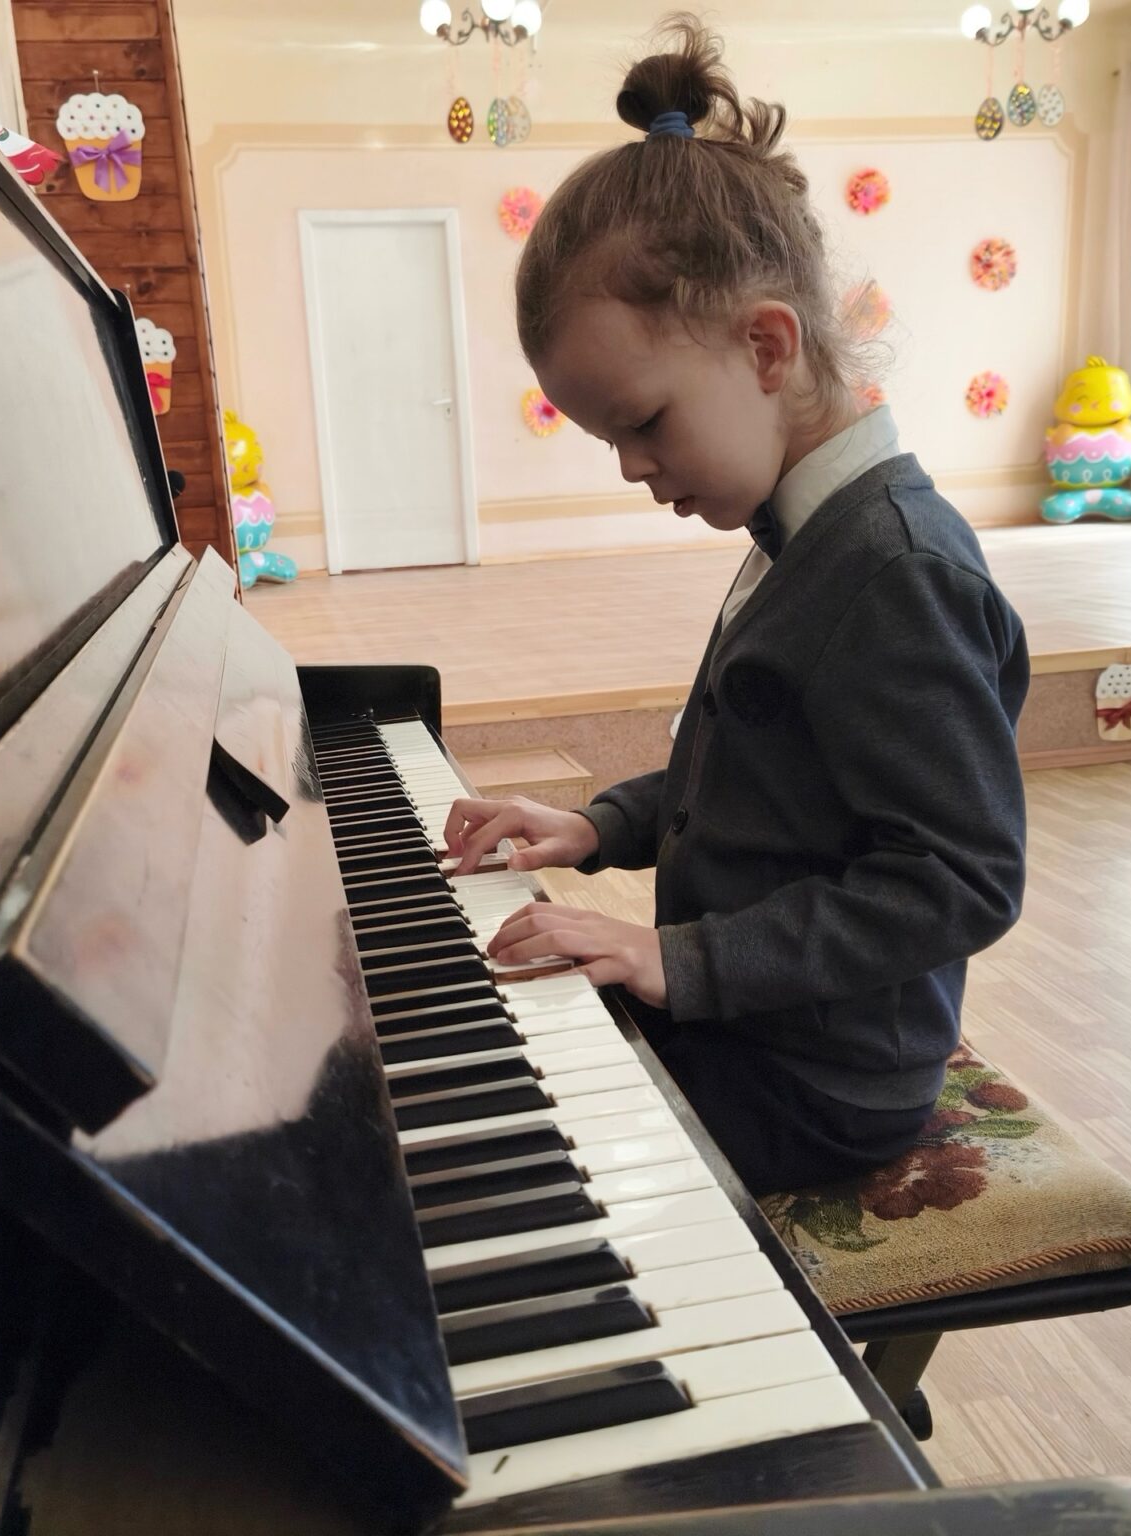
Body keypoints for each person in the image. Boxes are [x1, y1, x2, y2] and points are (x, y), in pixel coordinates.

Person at [442, 13, 1031, 1198]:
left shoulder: (893, 569)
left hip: (819, 1083)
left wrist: (676, 959)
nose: (630, 467)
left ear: (766, 347)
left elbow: (959, 877)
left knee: (494, 1158)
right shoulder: (804, 527)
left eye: (642, 422)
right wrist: (599, 827)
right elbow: (759, 777)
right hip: (757, 1026)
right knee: (484, 1065)